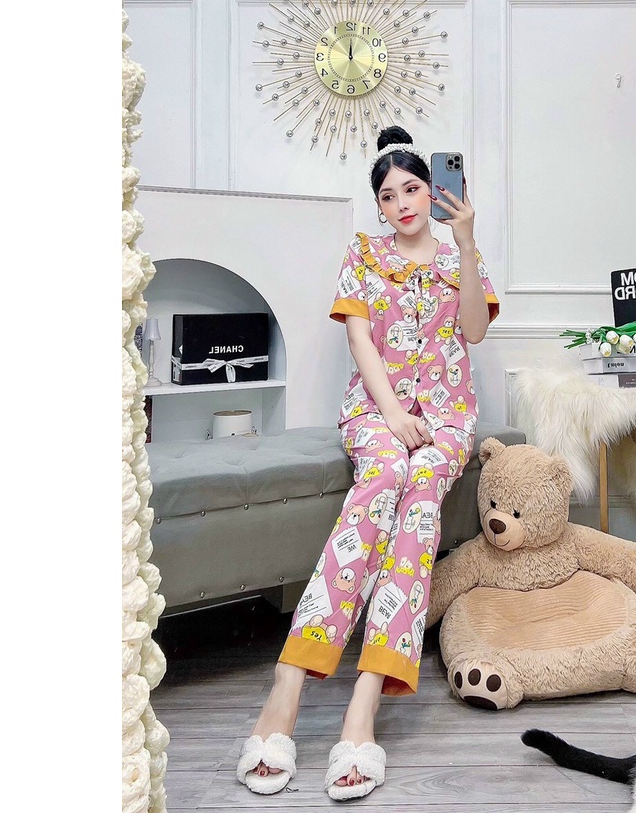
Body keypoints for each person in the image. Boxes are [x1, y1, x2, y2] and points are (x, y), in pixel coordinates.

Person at [236, 126, 500, 800]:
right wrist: (393, 417)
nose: (402, 203)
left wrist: (468, 243)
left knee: (420, 504)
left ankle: (365, 700)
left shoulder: (458, 254)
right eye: (388, 195)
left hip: (446, 418)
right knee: (384, 479)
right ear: (378, 206)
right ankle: (288, 681)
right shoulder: (364, 254)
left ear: (433, 191)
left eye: (413, 188)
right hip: (377, 412)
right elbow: (360, 342)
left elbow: (473, 330)